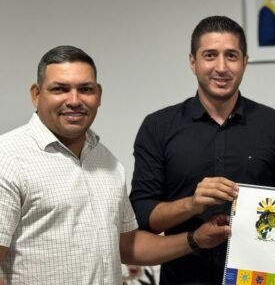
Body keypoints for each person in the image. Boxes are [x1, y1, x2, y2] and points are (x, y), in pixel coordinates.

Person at [0, 46, 231, 285]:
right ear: (36, 94)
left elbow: (128, 246)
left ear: (98, 95)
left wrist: (196, 239)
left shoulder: (107, 162)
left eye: (85, 89)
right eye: (60, 89)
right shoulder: (7, 158)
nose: (74, 100)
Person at [130, 15, 275, 284]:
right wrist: (192, 205)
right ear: (193, 62)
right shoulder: (158, 127)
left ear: (245, 62)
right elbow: (143, 215)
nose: (221, 67)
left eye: (231, 56)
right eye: (210, 55)